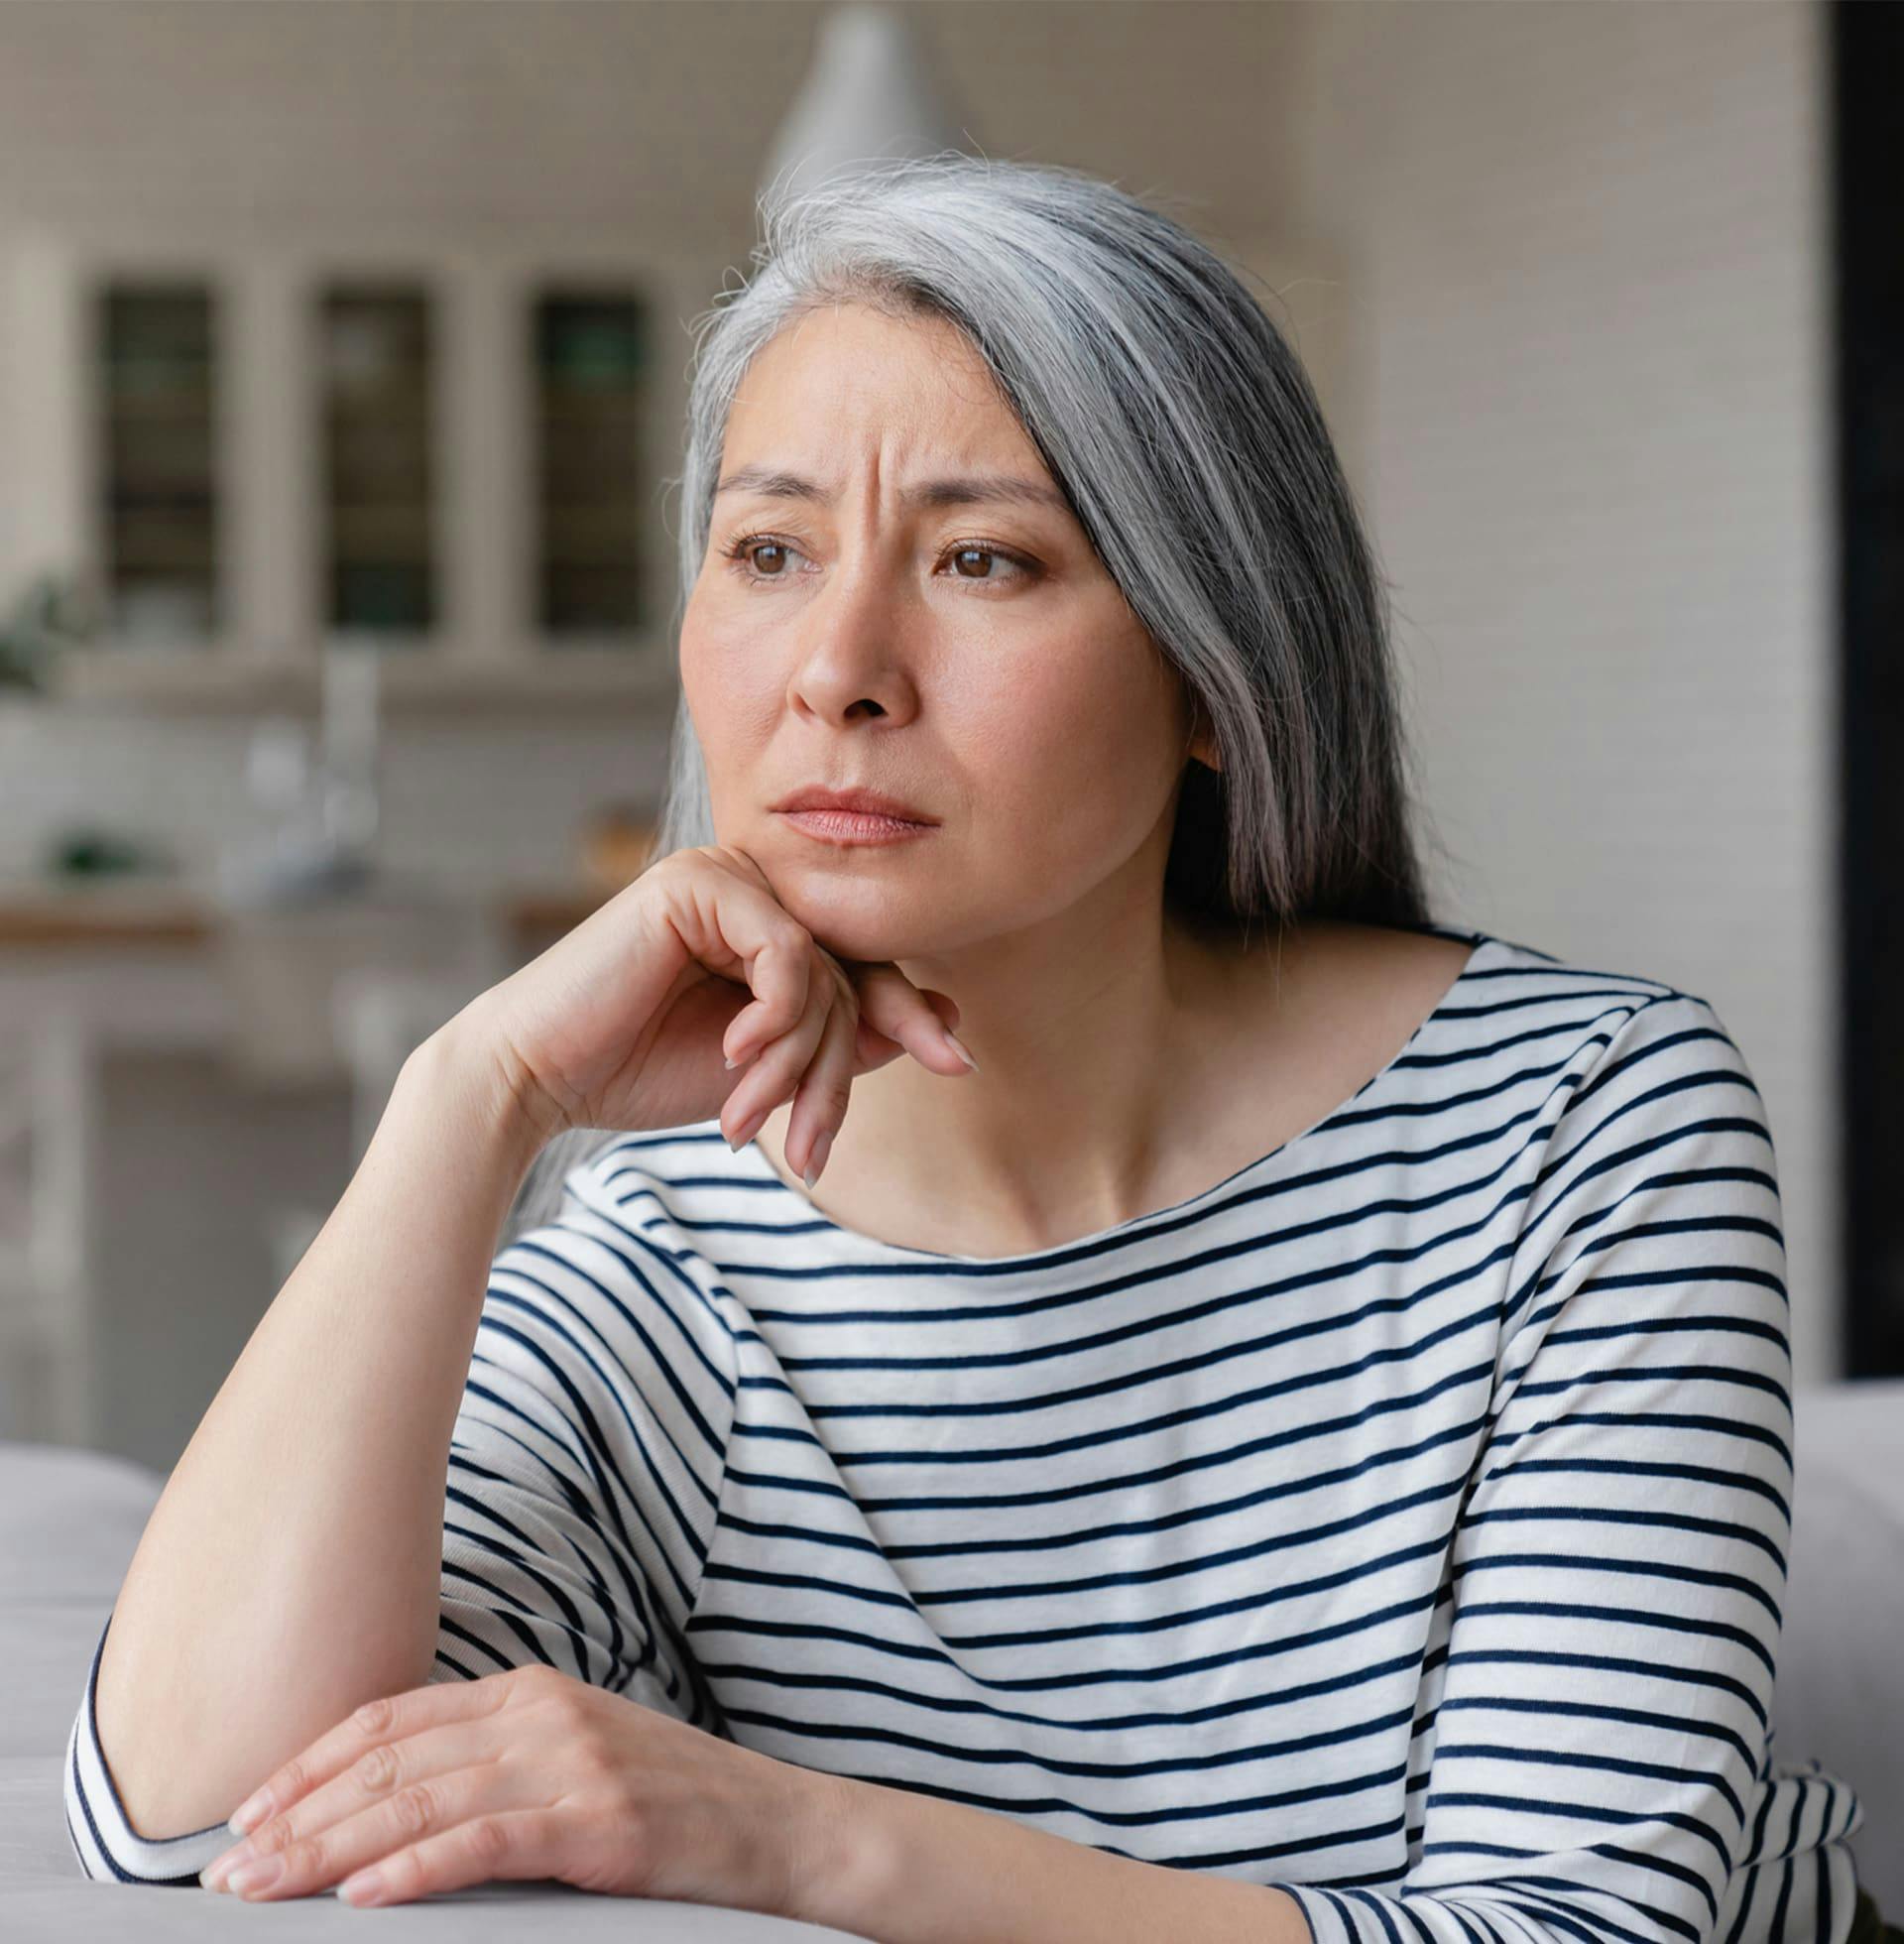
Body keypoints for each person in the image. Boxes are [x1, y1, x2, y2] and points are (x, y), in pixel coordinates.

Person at [64, 154, 1870, 1938]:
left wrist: (799, 1841)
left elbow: (1588, 1930)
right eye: (768, 550)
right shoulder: (672, 1274)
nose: (836, 667)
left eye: (984, 559)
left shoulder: (1580, 1129)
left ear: (1218, 678)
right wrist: (474, 1100)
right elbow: (206, 1827)